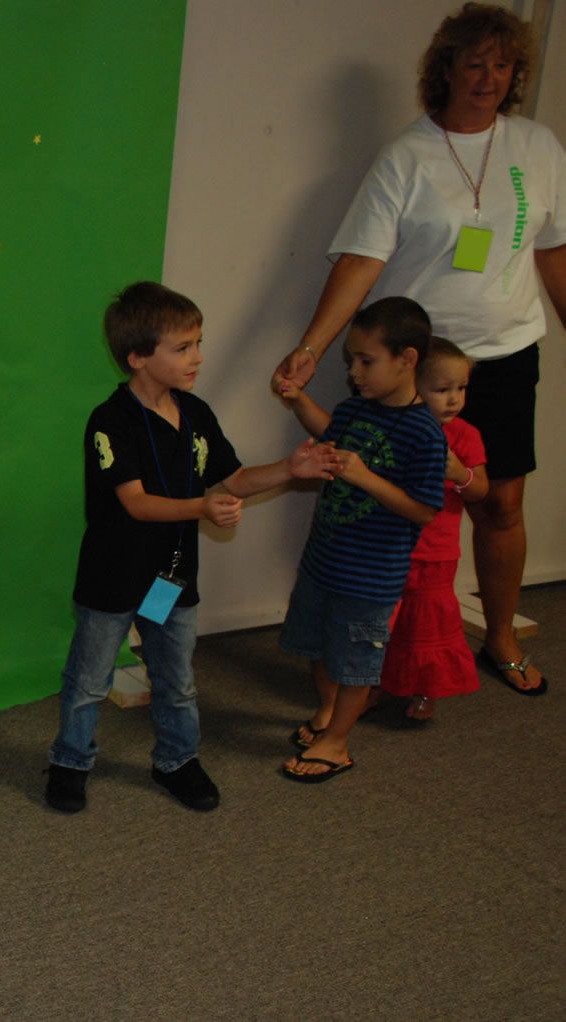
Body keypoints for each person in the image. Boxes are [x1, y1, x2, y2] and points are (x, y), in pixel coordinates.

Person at [272, 3, 564, 696]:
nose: (488, 77)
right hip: (414, 370)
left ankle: (496, 637)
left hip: (505, 351)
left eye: (501, 65)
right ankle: (371, 663)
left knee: (500, 503)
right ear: (444, 71)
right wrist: (311, 347)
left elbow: (552, 251)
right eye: (474, 64)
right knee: (384, 507)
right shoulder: (406, 155)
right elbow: (360, 263)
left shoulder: (537, 146)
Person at [45, 281, 340, 813]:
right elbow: (135, 503)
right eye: (182, 348)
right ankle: (70, 760)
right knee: (89, 680)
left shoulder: (197, 413)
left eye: (198, 343)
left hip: (171, 578)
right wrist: (202, 508)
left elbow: (235, 477)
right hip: (113, 577)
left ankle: (178, 760)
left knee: (175, 678)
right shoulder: (109, 421)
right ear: (137, 358)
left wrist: (289, 470)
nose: (197, 357)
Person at [278, 298, 447, 782]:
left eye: (366, 361)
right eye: (351, 360)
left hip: (370, 578)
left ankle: (337, 744)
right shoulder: (356, 409)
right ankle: (327, 713)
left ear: (407, 359)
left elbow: (424, 509)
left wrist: (368, 478)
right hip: (323, 561)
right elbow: (329, 429)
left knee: (355, 663)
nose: (354, 371)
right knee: (317, 645)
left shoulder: (424, 433)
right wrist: (295, 398)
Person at [281, 336, 488, 728]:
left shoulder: (462, 435)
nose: (454, 399)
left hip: (434, 553)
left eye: (461, 389)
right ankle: (370, 686)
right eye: (442, 390)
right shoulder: (383, 422)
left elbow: (480, 490)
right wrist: (297, 398)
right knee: (371, 627)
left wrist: (459, 471)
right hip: (382, 553)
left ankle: (424, 688)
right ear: (412, 383)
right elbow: (332, 430)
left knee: (422, 625)